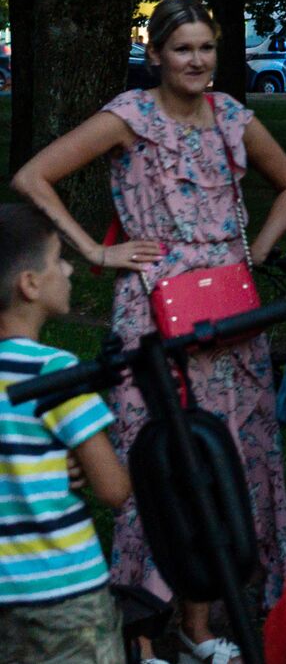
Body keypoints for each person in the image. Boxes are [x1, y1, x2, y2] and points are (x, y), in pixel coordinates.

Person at [11, 0, 286, 663]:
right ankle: (146, 624)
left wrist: (254, 249)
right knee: (159, 459)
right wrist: (95, 249)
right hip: (155, 312)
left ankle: (200, 621)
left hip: (230, 314)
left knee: (229, 457)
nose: (197, 60)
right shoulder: (130, 117)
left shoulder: (233, 114)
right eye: (183, 49)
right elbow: (34, 175)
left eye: (206, 48)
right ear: (155, 57)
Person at [0, 205, 131, 664]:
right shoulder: (55, 372)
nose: (70, 268)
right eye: (58, 259)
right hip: (63, 593)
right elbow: (113, 489)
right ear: (29, 284)